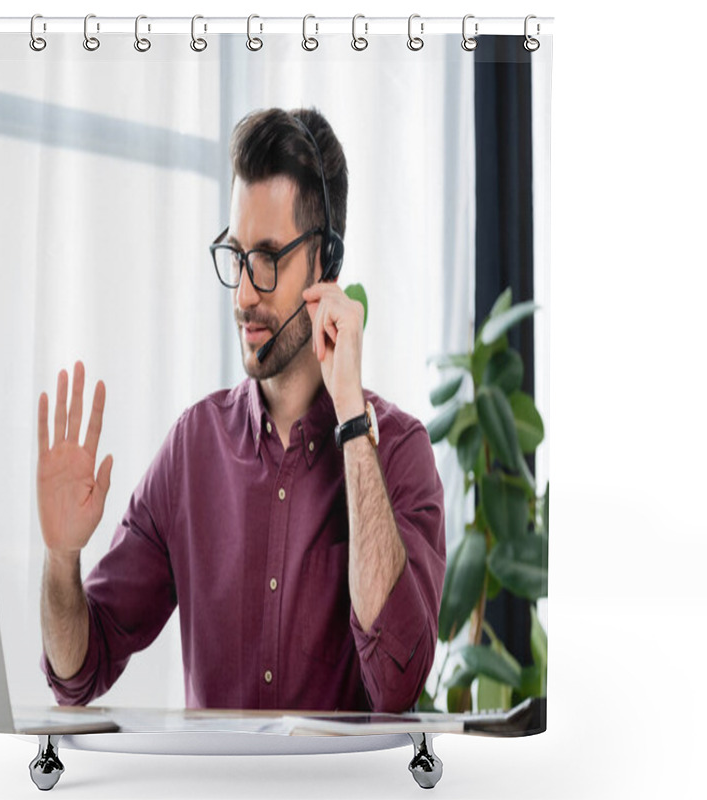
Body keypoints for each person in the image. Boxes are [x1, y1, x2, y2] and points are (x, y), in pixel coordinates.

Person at [38, 107, 446, 713]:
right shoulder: (192, 448)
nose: (246, 292)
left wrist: (353, 425)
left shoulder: (401, 450)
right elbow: (79, 671)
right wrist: (61, 557)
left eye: (268, 257)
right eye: (237, 256)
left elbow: (397, 686)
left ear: (325, 264)